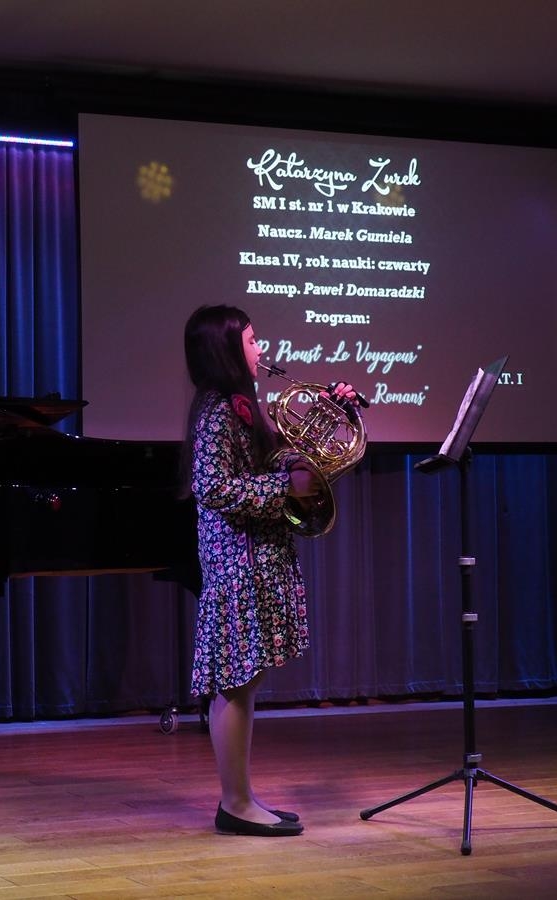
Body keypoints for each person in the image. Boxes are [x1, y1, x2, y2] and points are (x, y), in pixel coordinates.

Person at [182, 305, 360, 837]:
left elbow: (267, 459)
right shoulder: (217, 411)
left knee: (245, 680)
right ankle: (235, 805)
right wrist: (287, 486)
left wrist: (326, 426)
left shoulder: (240, 406)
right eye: (253, 340)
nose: (262, 350)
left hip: (254, 555)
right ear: (226, 349)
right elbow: (213, 487)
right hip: (237, 560)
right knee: (236, 683)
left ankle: (241, 797)